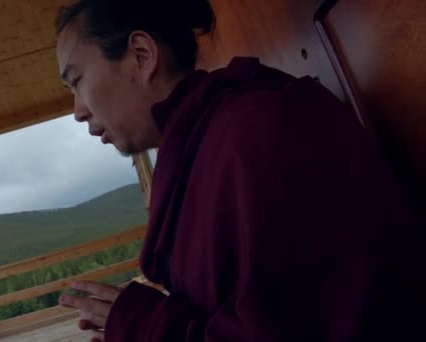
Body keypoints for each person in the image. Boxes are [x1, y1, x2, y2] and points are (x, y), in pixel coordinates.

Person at [54, 0, 426, 341]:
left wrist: (145, 326)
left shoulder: (265, 129)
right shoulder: (203, 149)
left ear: (141, 54)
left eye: (77, 81)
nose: (78, 111)